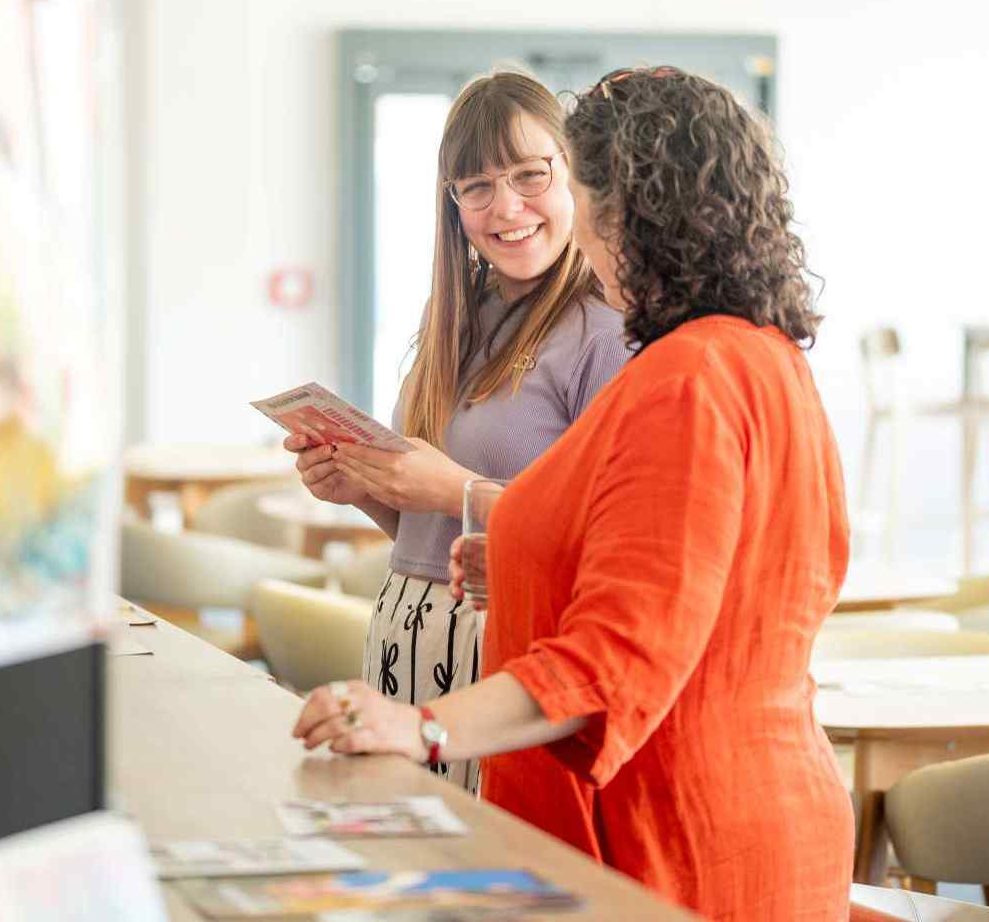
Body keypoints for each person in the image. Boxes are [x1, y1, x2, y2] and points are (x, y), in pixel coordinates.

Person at [290, 66, 854, 921]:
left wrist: (421, 728)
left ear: (627, 213)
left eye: (570, 194)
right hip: (737, 805)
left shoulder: (688, 377)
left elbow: (619, 654)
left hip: (678, 834)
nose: (577, 238)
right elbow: (696, 574)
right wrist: (526, 559)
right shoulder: (761, 353)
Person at [283, 70, 631, 793]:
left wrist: (453, 490)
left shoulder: (604, 333)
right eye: (476, 186)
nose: (506, 207)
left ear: (574, 178)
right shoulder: (457, 319)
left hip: (500, 673)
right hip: (405, 643)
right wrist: (369, 491)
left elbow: (603, 545)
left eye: (530, 176)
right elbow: (437, 542)